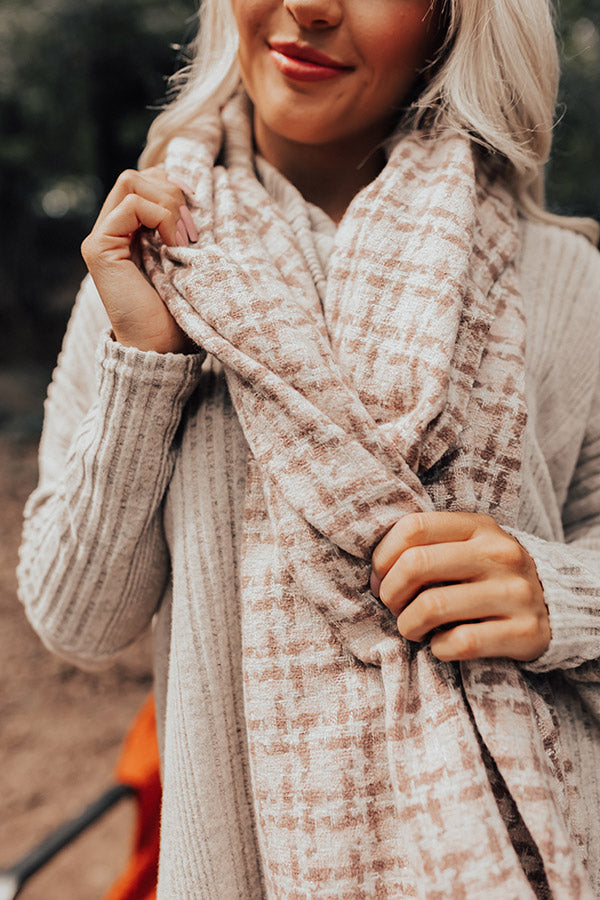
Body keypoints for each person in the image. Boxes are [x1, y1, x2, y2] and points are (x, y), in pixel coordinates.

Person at [17, 0, 600, 897]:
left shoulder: (563, 277)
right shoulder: (139, 263)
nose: (310, 7)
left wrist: (562, 596)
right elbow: (76, 618)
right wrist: (146, 366)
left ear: (455, 18)